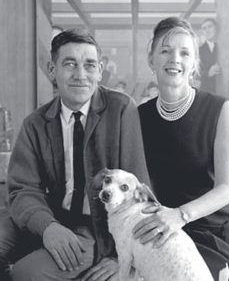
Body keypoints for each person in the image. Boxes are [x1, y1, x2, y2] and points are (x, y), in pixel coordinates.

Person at [0, 29, 151, 281]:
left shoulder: (122, 110)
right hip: (47, 215)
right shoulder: (35, 123)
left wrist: (123, 256)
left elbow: (137, 191)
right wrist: (47, 226)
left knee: (28, 273)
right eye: (69, 64)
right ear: (52, 70)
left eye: (89, 65)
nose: (81, 75)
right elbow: (23, 190)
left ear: (100, 71)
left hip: (95, 227)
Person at [134, 17, 229, 280]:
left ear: (194, 63)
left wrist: (180, 215)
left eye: (184, 52)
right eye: (165, 51)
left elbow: (225, 189)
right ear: (151, 60)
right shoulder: (138, 117)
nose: (174, 59)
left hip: (216, 230)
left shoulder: (221, 110)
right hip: (164, 232)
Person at [199, 18, 221, 93]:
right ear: (202, 32)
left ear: (216, 28)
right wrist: (208, 73)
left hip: (226, 89)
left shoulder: (225, 48)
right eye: (204, 28)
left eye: (210, 26)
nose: (207, 30)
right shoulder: (198, 51)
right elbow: (195, 73)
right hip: (207, 92)